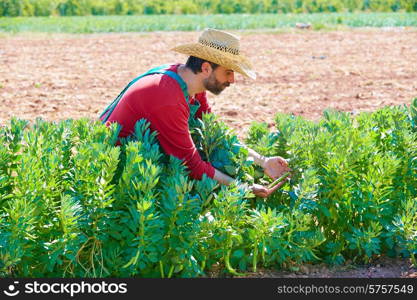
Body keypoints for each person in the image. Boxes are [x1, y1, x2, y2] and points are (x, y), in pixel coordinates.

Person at [100, 28, 291, 198]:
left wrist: (263, 161)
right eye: (228, 72)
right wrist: (242, 187)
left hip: (139, 155)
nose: (232, 80)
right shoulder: (167, 95)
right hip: (113, 168)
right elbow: (191, 165)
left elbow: (214, 132)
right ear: (206, 68)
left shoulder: (190, 84)